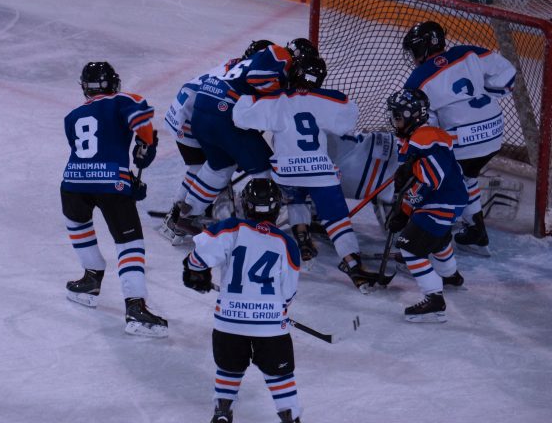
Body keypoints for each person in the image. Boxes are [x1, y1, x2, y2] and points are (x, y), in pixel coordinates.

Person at [232, 55, 382, 292]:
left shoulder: (277, 99)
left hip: (286, 171)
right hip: (320, 170)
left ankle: (302, 238)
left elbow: (240, 118)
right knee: (337, 219)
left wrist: (251, 95)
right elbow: (348, 121)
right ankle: (353, 263)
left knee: (295, 199)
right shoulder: (328, 99)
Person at [61, 61, 167, 338]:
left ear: (85, 87)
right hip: (111, 182)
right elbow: (142, 124)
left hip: (72, 183)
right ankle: (135, 306)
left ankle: (90, 279)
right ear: (114, 83)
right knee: (129, 243)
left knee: (79, 228)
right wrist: (146, 147)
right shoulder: (124, 100)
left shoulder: (72, 115)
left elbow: (91, 153)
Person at [182, 179, 303, 423]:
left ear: (245, 205)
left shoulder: (230, 228)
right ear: (277, 208)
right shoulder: (287, 243)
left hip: (229, 321)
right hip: (270, 325)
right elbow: (288, 292)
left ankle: (222, 412)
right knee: (280, 375)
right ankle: (290, 417)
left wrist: (196, 272)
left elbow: (197, 259)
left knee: (229, 368)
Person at [402, 21, 516, 252]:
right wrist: (485, 92)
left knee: (434, 176)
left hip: (464, 142)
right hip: (494, 133)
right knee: (467, 176)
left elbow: (422, 124)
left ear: (424, 48)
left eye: (414, 51)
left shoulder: (418, 78)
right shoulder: (468, 52)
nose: (413, 57)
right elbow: (507, 74)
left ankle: (432, 235)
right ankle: (476, 230)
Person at [169, 44, 295, 237]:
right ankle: (264, 225)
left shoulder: (243, 62)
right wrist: (280, 93)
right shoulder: (279, 55)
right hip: (222, 115)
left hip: (201, 110)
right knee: (267, 169)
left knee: (220, 166)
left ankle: (187, 216)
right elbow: (257, 78)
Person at [385, 88, 468, 322]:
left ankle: (434, 300)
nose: (394, 120)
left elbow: (431, 179)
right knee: (437, 239)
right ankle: (451, 276)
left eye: (398, 115)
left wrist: (405, 209)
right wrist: (404, 207)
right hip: (445, 199)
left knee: (409, 247)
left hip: (442, 201)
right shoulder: (412, 139)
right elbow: (417, 180)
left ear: (412, 115)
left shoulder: (428, 135)